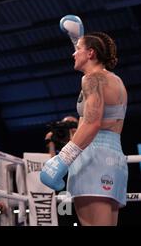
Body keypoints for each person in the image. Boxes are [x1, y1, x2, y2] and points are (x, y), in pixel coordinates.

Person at [41, 27, 128, 226]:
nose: (73, 53)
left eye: (77, 48)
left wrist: (61, 160)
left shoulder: (91, 79)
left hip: (92, 159)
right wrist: (78, 38)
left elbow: (92, 123)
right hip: (114, 158)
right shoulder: (116, 80)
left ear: (91, 53)